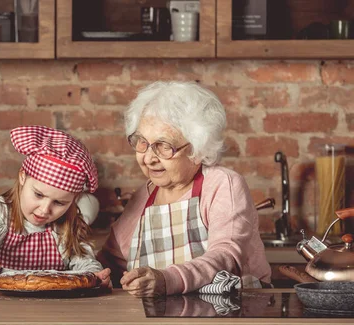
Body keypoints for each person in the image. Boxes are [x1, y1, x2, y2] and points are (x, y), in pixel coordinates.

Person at [97, 81, 271, 296]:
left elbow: (226, 257)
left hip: (230, 313)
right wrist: (96, 276)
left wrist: (167, 279)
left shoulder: (221, 184)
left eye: (164, 146)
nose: (149, 158)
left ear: (197, 150)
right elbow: (109, 262)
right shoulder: (144, 196)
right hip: (160, 320)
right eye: (142, 142)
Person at [0, 126, 111, 286]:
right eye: (39, 195)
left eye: (59, 203)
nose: (44, 210)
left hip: (54, 308)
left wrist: (96, 276)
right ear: (23, 177)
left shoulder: (68, 227)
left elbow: (86, 263)